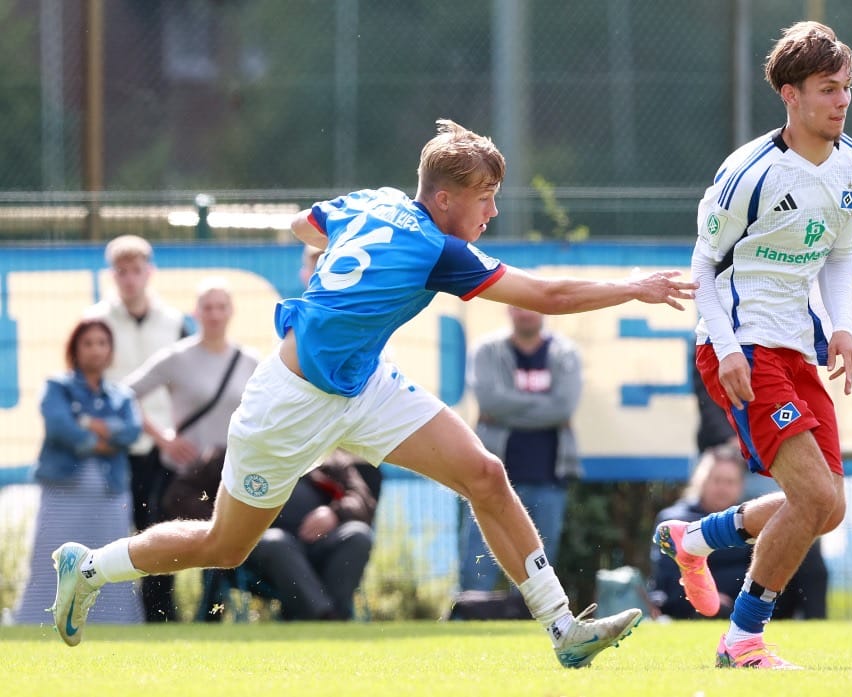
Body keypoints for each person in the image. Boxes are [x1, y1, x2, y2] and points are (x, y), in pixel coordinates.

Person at [49, 119, 694, 668]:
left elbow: (305, 223)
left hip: (363, 384)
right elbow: (549, 297)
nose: (492, 212)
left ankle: (563, 630)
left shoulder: (377, 201)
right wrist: (634, 286)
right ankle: (90, 567)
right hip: (290, 405)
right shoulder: (441, 250)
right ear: (443, 200)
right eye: (487, 197)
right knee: (225, 545)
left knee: (484, 474)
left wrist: (342, 253)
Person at [654, 21, 852, 669]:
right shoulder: (747, 173)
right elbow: (703, 264)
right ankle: (742, 639)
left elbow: (838, 253)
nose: (840, 101)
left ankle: (694, 538)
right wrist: (723, 348)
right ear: (789, 94)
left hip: (797, 349)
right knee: (811, 498)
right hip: (741, 349)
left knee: (828, 507)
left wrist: (842, 324)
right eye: (827, 89)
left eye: (847, 88)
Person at [83, 234, 189, 622]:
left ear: (150, 272)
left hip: (167, 452)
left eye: (136, 271)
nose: (129, 280)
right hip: (115, 450)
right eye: (121, 272)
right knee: (109, 535)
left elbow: (188, 383)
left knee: (161, 530)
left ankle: (161, 617)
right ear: (112, 275)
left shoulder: (176, 322)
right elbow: (101, 391)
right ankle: (105, 614)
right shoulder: (94, 321)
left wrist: (173, 435)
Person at [14, 319, 145, 626]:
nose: (96, 350)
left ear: (110, 350)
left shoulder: (122, 395)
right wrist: (97, 438)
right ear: (75, 348)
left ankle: (114, 624)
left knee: (111, 562)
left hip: (109, 493)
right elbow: (60, 426)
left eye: (102, 343)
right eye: (88, 343)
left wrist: (87, 423)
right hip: (63, 490)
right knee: (50, 560)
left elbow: (131, 431)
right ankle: (38, 622)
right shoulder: (56, 387)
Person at [461, 305, 583, 590]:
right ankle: (469, 612)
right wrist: (544, 409)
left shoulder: (565, 353)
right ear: (508, 311)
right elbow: (490, 401)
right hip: (490, 478)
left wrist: (508, 411)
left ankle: (540, 620)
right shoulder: (487, 350)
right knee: (477, 562)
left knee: (541, 564)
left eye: (533, 306)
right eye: (519, 307)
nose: (526, 313)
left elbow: (564, 406)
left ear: (544, 311)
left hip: (548, 476)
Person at [124, 278, 260, 521]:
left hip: (231, 477)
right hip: (184, 477)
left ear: (232, 311)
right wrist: (163, 438)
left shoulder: (251, 360)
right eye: (207, 307)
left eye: (221, 307)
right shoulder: (177, 357)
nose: (215, 315)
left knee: (231, 554)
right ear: (196, 312)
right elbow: (124, 394)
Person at [651, 446, 825, 620]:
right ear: (701, 481)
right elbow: (668, 575)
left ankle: (817, 623)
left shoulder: (751, 517)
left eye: (730, 482)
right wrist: (710, 595)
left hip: (753, 597)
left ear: (740, 486)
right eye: (717, 481)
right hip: (693, 602)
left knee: (804, 545)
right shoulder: (677, 520)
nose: (723, 488)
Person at [239, 450, 378, 621]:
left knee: (358, 534)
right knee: (275, 541)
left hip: (322, 548)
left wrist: (335, 513)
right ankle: (326, 617)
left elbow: (363, 500)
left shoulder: (331, 460)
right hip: (270, 556)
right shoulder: (249, 459)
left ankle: (332, 615)